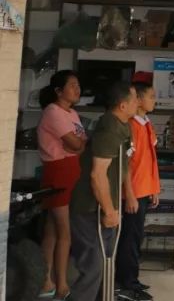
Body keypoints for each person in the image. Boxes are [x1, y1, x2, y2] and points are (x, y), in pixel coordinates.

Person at [68, 81, 137, 301]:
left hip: (109, 204)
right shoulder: (109, 129)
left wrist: (128, 195)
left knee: (108, 262)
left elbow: (123, 167)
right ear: (122, 105)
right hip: (90, 208)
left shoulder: (124, 126)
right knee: (94, 266)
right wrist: (108, 210)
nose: (138, 102)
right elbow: (98, 175)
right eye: (134, 98)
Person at [36, 70, 87, 300]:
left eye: (78, 85)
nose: (77, 89)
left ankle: (46, 281)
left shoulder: (73, 113)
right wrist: (76, 145)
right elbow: (75, 142)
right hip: (58, 172)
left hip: (72, 169)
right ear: (58, 91)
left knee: (53, 229)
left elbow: (80, 144)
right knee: (63, 231)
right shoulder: (53, 112)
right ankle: (61, 286)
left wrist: (76, 146)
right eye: (72, 85)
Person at [117, 81, 160, 300]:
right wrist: (130, 194)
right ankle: (126, 284)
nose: (155, 100)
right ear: (139, 100)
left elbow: (151, 160)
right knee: (129, 239)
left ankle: (132, 279)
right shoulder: (131, 126)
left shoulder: (146, 124)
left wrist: (155, 187)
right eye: (151, 96)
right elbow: (126, 164)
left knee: (135, 237)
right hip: (132, 192)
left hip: (144, 188)